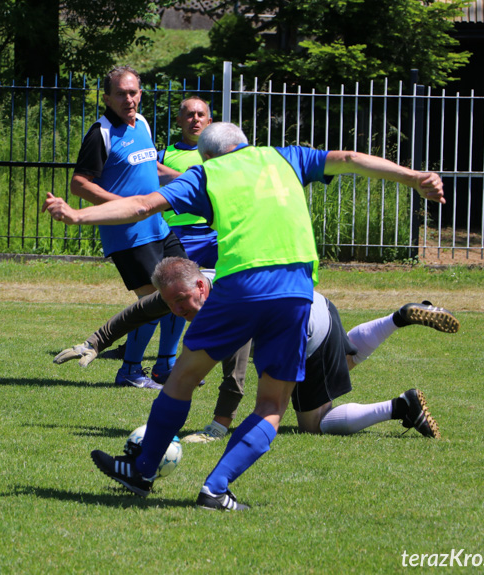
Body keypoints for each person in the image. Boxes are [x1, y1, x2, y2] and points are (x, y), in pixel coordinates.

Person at [44, 122, 445, 511]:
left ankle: (142, 470)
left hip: (240, 287)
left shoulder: (206, 174)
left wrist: (79, 216)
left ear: (206, 154)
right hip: (296, 291)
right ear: (246, 143)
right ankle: (215, 490)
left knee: (183, 377)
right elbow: (350, 158)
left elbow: (142, 204)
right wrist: (412, 178)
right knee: (272, 405)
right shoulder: (286, 158)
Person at [53, 256, 459, 442]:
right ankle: (400, 317)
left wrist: (219, 424)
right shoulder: (188, 282)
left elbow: (237, 365)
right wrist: (94, 342)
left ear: (201, 287)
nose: (178, 311)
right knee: (343, 362)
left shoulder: (226, 301)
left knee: (313, 422)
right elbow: (141, 311)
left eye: (182, 303)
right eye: (173, 305)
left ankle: (402, 406)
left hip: (303, 328)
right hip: (319, 309)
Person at [70, 65, 187, 390]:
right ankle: (131, 371)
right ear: (107, 97)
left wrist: (186, 180)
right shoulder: (101, 133)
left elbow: (150, 165)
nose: (129, 98)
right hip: (128, 234)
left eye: (133, 92)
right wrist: (116, 204)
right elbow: (79, 184)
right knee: (154, 300)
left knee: (186, 287)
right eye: (121, 93)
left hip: (158, 227)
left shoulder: (143, 124)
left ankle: (165, 366)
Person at [158, 97, 218, 269]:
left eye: (201, 115)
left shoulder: (220, 154)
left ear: (209, 121)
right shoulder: (163, 156)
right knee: (179, 288)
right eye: (190, 115)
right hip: (178, 232)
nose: (196, 119)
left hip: (215, 230)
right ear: (179, 120)